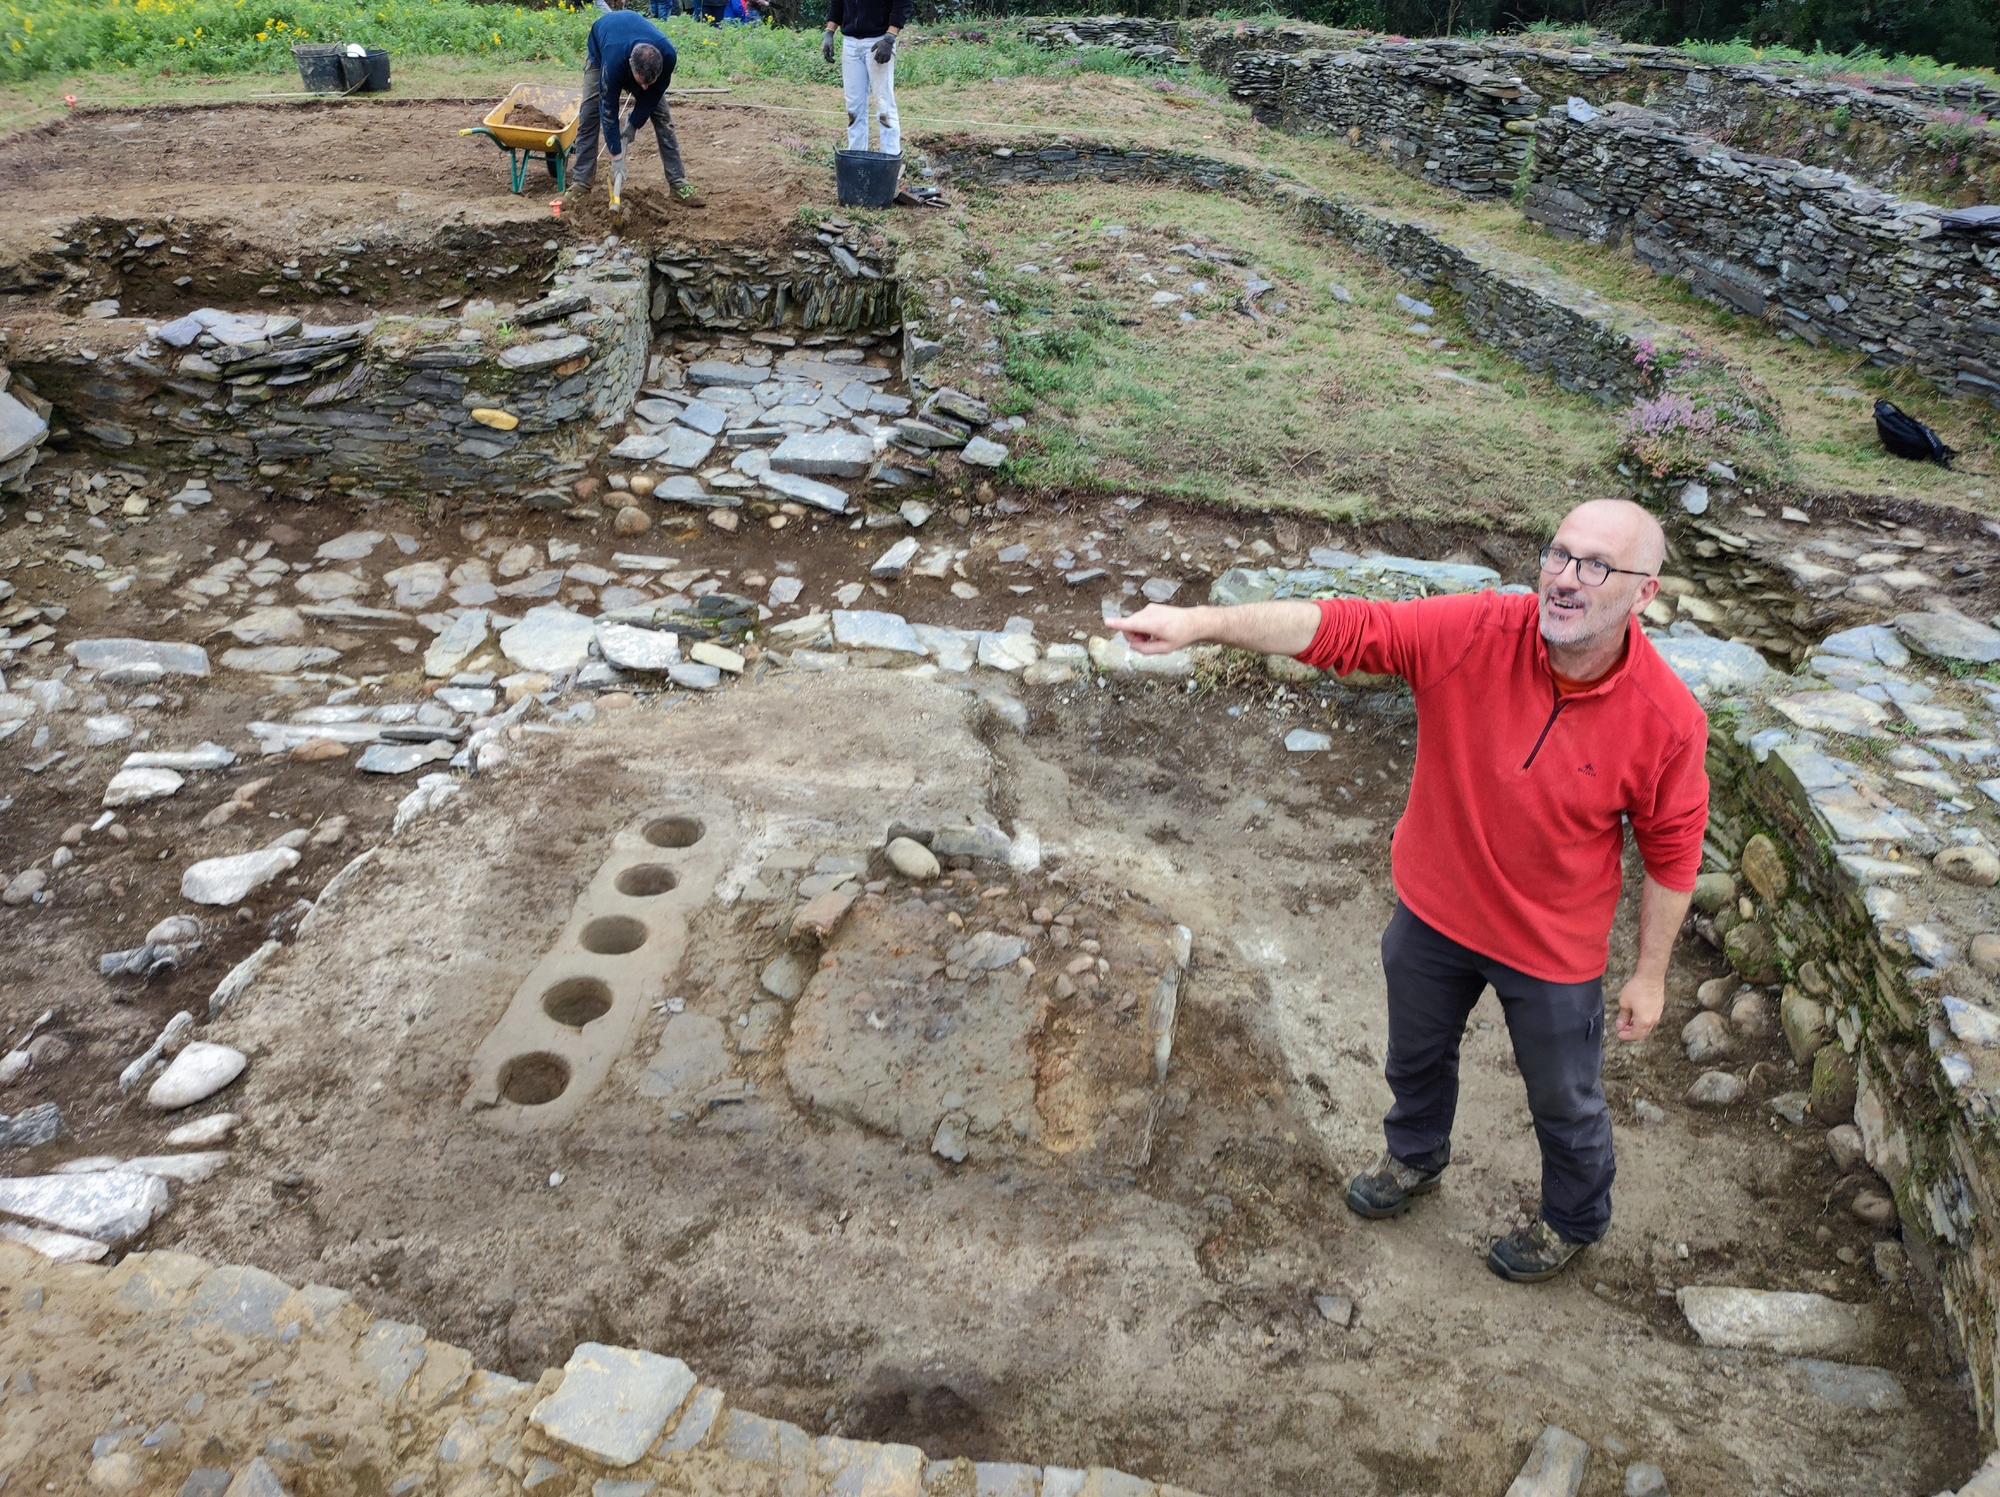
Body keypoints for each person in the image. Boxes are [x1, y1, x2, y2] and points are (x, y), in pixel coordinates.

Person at [1107, 499, 1709, 1284]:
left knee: (1566, 1100)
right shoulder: (1475, 633)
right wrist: (1202, 623)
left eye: (1596, 566)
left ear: (1644, 593)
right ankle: (1415, 1156)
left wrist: (1650, 974)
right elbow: (1344, 628)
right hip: (1435, 913)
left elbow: (1672, 853)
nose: (1564, 579)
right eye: (1558, 555)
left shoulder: (1667, 719)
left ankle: (1573, 1218)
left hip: (1553, 947)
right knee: (1415, 1057)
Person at [572, 7, 699, 204]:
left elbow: (654, 93)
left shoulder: (668, 56)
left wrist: (633, 123)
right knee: (589, 115)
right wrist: (616, 155)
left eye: (650, 81)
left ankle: (678, 182)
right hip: (602, 53)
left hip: (633, 53)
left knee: (663, 119)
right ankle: (581, 183)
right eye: (642, 83)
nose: (645, 87)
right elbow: (609, 110)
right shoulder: (613, 64)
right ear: (631, 66)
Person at [822, 0, 910, 158]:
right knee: (854, 106)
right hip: (850, 43)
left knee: (884, 103)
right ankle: (856, 157)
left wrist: (890, 37)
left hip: (878, 41)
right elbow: (837, 3)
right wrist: (829, 31)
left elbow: (902, 3)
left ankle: (890, 159)